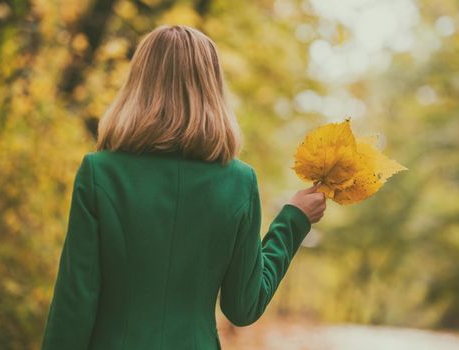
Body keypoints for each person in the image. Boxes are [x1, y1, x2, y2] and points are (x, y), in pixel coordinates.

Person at [40, 24, 326, 350]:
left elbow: (74, 303)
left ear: (139, 83)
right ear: (212, 87)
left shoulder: (100, 173)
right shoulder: (238, 182)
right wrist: (293, 220)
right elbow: (242, 307)